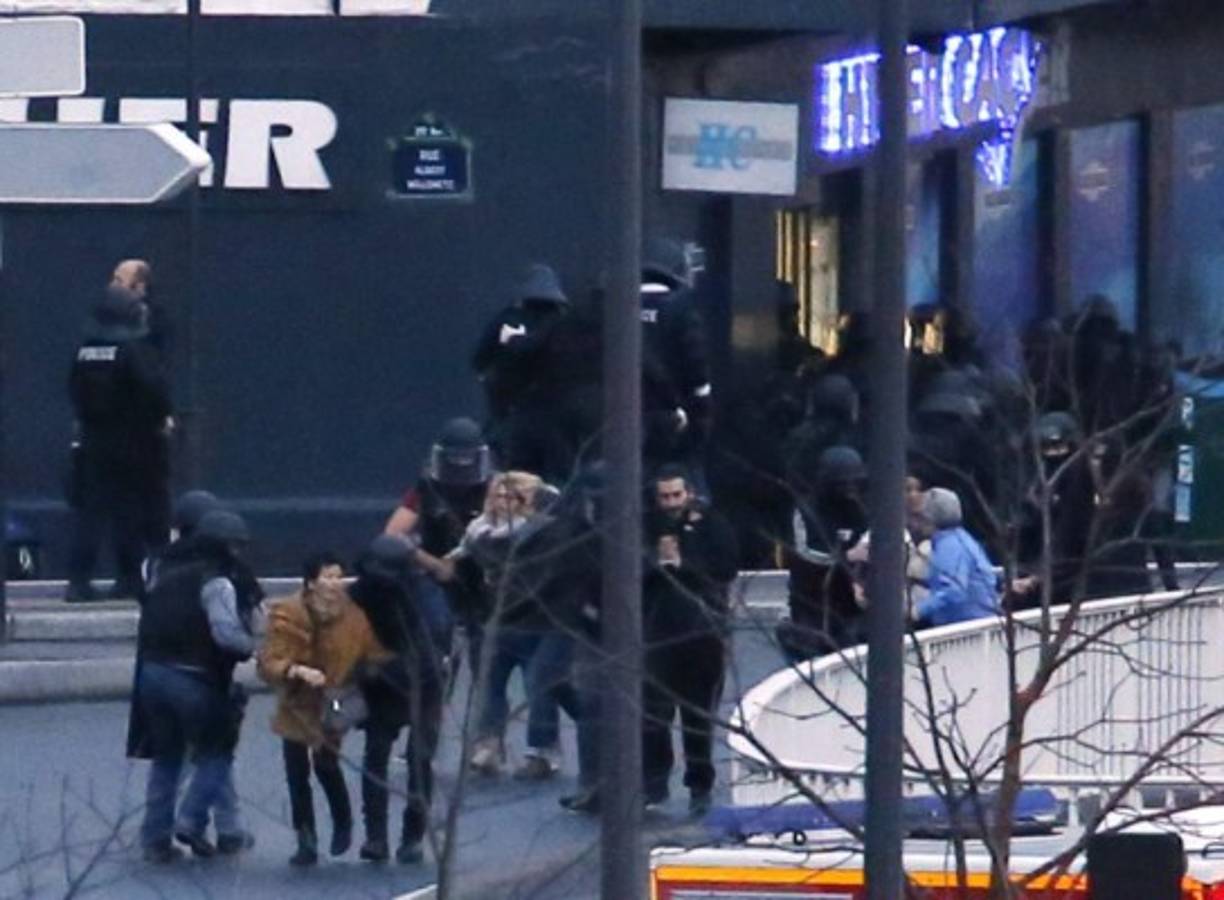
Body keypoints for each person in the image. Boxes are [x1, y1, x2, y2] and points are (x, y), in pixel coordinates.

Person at [135, 509, 257, 863]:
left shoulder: (163, 571)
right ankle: (191, 819)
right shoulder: (216, 581)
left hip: (152, 673)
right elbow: (226, 635)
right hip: (194, 676)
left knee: (167, 757)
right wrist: (252, 647)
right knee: (217, 752)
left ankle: (154, 838)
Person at [259, 552, 389, 866]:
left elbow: (372, 652)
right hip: (297, 701)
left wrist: (371, 676)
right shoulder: (288, 612)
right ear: (311, 582)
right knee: (296, 772)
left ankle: (342, 820)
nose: (334, 584)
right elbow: (271, 659)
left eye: (338, 576)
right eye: (327, 576)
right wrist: (295, 670)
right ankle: (306, 840)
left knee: (327, 764)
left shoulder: (353, 615)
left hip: (333, 700)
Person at [641, 465, 738, 816]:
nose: (671, 503)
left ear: (689, 493)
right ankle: (654, 784)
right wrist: (656, 564)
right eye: (664, 497)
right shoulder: (645, 526)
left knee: (698, 716)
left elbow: (726, 568)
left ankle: (700, 785)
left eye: (676, 495)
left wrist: (684, 563)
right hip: (657, 633)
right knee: (653, 714)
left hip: (702, 632)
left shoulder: (712, 524)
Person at [67, 284, 172, 602]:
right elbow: (153, 390)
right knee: (129, 513)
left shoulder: (85, 350)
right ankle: (128, 578)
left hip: (95, 441)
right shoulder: (134, 349)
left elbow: (73, 390)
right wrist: (161, 418)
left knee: (90, 514)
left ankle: (79, 581)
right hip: (135, 442)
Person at [349, 535, 443, 865]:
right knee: (377, 756)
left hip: (422, 683)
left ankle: (411, 836)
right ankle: (377, 837)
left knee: (418, 759)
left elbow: (435, 638)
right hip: (381, 685)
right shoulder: (362, 592)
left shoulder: (423, 594)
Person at [385, 417, 491, 671]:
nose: (461, 467)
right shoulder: (426, 489)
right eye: (456, 459)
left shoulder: (494, 487)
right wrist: (432, 563)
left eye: (467, 459)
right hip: (438, 570)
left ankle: (482, 688)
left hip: (483, 573)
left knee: (485, 643)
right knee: (437, 625)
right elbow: (392, 535)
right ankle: (439, 673)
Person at [472, 264, 572, 479]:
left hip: (511, 414)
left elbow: (479, 361)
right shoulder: (565, 324)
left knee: (512, 476)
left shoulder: (506, 319)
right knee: (558, 478)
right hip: (555, 418)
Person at [779, 445, 868, 659]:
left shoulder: (859, 510)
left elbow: (868, 542)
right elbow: (802, 557)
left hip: (850, 607)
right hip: (810, 608)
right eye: (843, 484)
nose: (849, 490)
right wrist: (847, 557)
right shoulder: (804, 511)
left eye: (854, 483)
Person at [640, 237, 712, 481]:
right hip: (673, 413)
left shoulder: (616, 305)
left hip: (621, 416)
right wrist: (701, 409)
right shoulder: (680, 307)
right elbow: (696, 364)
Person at [913, 488, 1000, 628]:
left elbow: (954, 590)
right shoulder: (962, 538)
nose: (918, 522)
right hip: (981, 623)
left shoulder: (949, 546)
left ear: (930, 518)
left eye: (920, 516)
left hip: (968, 629)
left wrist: (917, 611)